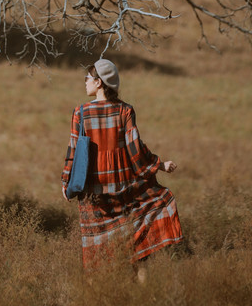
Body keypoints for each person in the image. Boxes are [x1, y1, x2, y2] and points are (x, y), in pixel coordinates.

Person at [62, 58, 183, 270]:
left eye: (87, 78)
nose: (85, 82)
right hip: (123, 186)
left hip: (93, 189)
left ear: (99, 82)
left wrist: (66, 181)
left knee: (94, 249)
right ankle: (142, 294)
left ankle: (96, 294)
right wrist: (159, 165)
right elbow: (135, 149)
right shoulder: (125, 111)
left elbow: (73, 151)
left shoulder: (80, 112)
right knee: (137, 243)